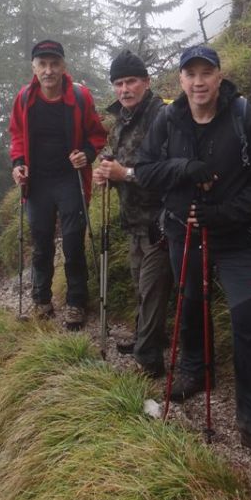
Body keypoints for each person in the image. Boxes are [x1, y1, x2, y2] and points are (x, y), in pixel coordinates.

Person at [135, 44, 251, 469]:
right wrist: (182, 168)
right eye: (191, 74)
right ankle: (196, 370)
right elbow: (145, 170)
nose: (199, 81)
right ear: (181, 81)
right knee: (189, 303)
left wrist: (226, 212)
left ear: (220, 76)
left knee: (248, 322)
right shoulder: (168, 119)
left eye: (207, 72)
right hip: (182, 232)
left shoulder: (246, 118)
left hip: (236, 235)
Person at [9, 39, 107, 330]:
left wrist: (87, 155)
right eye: (43, 64)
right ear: (34, 67)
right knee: (41, 243)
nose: (49, 70)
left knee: (74, 241)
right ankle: (41, 300)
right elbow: (16, 136)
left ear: (64, 66)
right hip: (37, 182)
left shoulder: (80, 97)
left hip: (70, 179)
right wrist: (18, 165)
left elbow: (97, 134)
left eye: (54, 64)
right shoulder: (25, 98)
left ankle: (77, 302)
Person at [92, 50, 172, 378]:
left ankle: (147, 360)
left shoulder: (163, 116)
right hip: (134, 220)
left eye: (131, 82)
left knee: (153, 288)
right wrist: (104, 171)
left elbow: (168, 171)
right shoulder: (121, 119)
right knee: (142, 283)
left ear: (146, 82)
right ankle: (147, 337)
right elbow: (114, 154)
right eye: (118, 83)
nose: (124, 89)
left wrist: (122, 174)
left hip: (162, 221)